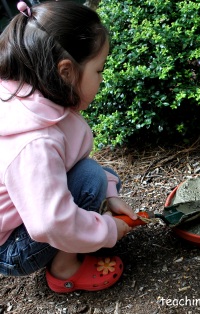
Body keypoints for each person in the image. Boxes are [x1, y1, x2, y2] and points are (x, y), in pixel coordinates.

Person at [0, 0, 137, 293]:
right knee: (90, 178)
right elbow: (51, 223)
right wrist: (107, 230)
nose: (102, 79)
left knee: (95, 176)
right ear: (65, 72)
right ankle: (64, 269)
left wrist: (110, 195)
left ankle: (78, 238)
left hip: (23, 215)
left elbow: (70, 162)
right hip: (11, 248)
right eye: (99, 70)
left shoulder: (28, 94)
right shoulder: (34, 143)